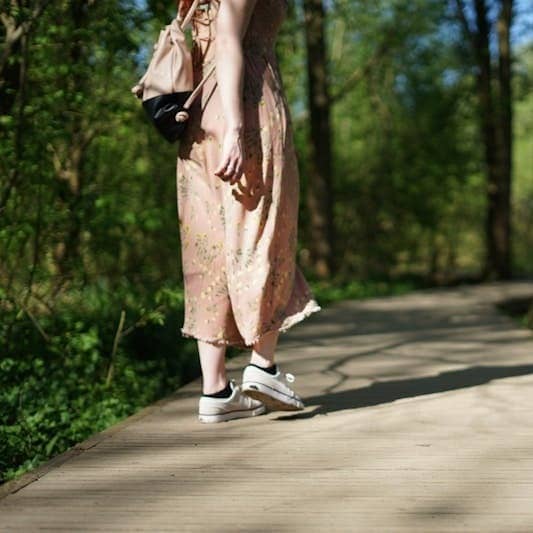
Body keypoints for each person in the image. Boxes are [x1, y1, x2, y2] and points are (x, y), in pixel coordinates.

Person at [175, 0, 322, 423]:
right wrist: (237, 129)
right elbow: (228, 36)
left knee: (209, 247)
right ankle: (263, 365)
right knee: (264, 234)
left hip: (198, 119)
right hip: (247, 107)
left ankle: (216, 390)